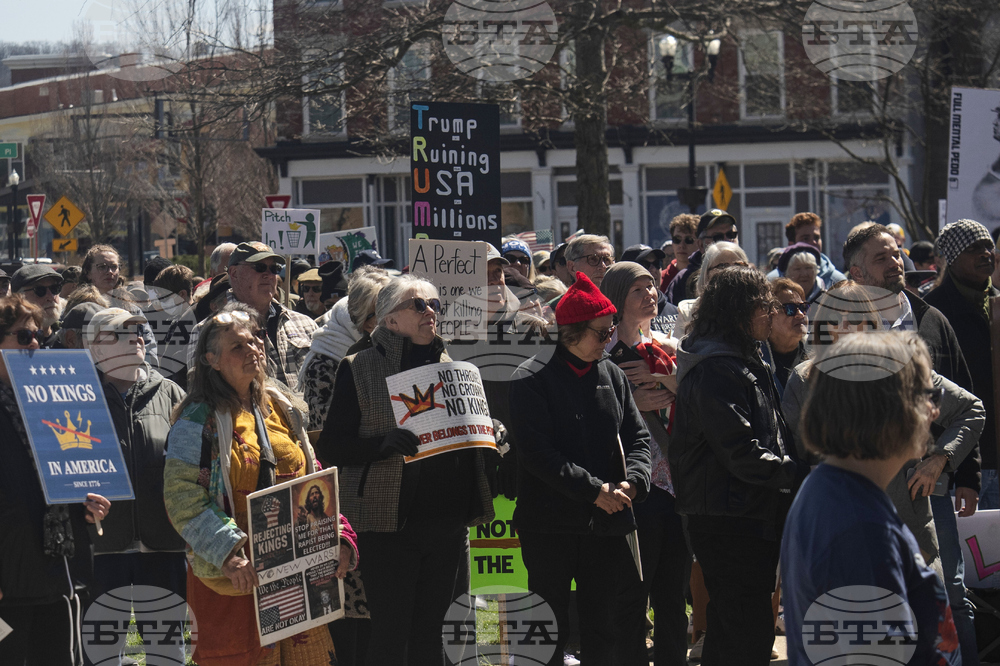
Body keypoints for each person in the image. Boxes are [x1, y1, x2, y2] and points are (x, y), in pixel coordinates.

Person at [782, 282, 985, 665]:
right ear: (886, 411)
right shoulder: (859, 529)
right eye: (924, 397)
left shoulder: (841, 497)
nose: (935, 412)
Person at [316, 275, 495, 665]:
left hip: (446, 525)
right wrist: (379, 446)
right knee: (389, 637)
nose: (430, 311)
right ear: (390, 318)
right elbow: (330, 446)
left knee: (435, 637)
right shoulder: (359, 367)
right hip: (387, 526)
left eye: (434, 305)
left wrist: (489, 433)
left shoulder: (455, 366)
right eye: (419, 305)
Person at [164, 303, 355, 666]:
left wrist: (338, 536)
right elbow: (182, 497)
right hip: (236, 580)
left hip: (299, 580)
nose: (253, 349)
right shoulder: (195, 420)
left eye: (255, 340)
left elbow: (312, 479)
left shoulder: (280, 407)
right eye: (238, 345)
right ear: (211, 359)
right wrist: (227, 554)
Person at [507, 272, 651, 665]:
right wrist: (594, 491)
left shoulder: (612, 374)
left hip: (606, 524)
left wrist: (634, 482)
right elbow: (537, 453)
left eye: (610, 332)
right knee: (549, 628)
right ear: (570, 332)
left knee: (602, 625)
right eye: (601, 333)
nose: (608, 340)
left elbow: (638, 437)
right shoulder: (531, 377)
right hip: (549, 524)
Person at [670, 266, 807, 666]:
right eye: (766, 306)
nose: (771, 313)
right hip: (728, 518)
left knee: (740, 628)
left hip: (746, 512)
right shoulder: (718, 367)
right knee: (742, 630)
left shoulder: (742, 357)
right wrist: (801, 476)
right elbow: (742, 452)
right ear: (740, 310)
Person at [0, 295, 111, 666]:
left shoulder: (56, 401)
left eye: (39, 335)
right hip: (9, 583)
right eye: (23, 337)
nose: (35, 344)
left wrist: (89, 506)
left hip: (60, 575)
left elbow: (70, 480)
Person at [83, 307, 188, 662]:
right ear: (95, 348)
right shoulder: (77, 397)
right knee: (103, 653)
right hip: (102, 546)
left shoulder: (172, 394)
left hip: (164, 544)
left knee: (166, 653)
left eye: (139, 332)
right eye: (121, 334)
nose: (137, 338)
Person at [600, 262, 687, 666]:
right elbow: (588, 410)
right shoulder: (601, 350)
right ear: (617, 297)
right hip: (634, 483)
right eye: (638, 289)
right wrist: (631, 402)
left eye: (652, 286)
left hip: (676, 483)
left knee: (672, 592)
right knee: (633, 589)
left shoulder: (671, 347)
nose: (650, 294)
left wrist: (672, 381)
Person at [925, 219, 998, 508]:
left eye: (988, 246)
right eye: (974, 248)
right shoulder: (934, 314)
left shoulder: (998, 304)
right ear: (953, 258)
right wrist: (965, 472)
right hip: (961, 467)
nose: (985, 253)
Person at [187, 242, 318, 393]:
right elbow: (201, 397)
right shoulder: (207, 332)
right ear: (234, 273)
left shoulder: (305, 324)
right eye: (259, 267)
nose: (268, 275)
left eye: (274, 268)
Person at [301, 266, 391, 431]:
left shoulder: (393, 346)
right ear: (361, 319)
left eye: (392, 310)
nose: (388, 320)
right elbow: (323, 430)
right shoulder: (324, 365)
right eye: (380, 313)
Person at [672, 241, 749, 339]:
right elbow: (677, 351)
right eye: (723, 266)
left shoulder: (757, 310)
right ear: (706, 274)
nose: (731, 271)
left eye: (738, 264)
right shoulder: (689, 312)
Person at [665, 208, 739, 305]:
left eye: (731, 235)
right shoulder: (683, 280)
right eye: (718, 237)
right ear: (700, 244)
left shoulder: (749, 275)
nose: (726, 241)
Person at [765, 212, 847, 286]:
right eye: (805, 238)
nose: (814, 242)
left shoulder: (837, 281)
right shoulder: (773, 282)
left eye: (816, 237)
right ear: (791, 244)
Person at [762, 278, 809, 396]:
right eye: (790, 309)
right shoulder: (755, 359)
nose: (800, 314)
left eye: (803, 307)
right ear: (769, 315)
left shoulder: (817, 355)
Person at [11, 264, 64, 345]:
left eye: (55, 288)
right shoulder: (9, 343)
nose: (50, 297)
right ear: (19, 298)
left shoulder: (68, 339)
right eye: (40, 290)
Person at [661, 213, 699, 292]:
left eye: (688, 240)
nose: (681, 245)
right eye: (677, 239)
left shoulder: (706, 276)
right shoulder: (661, 279)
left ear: (699, 243)